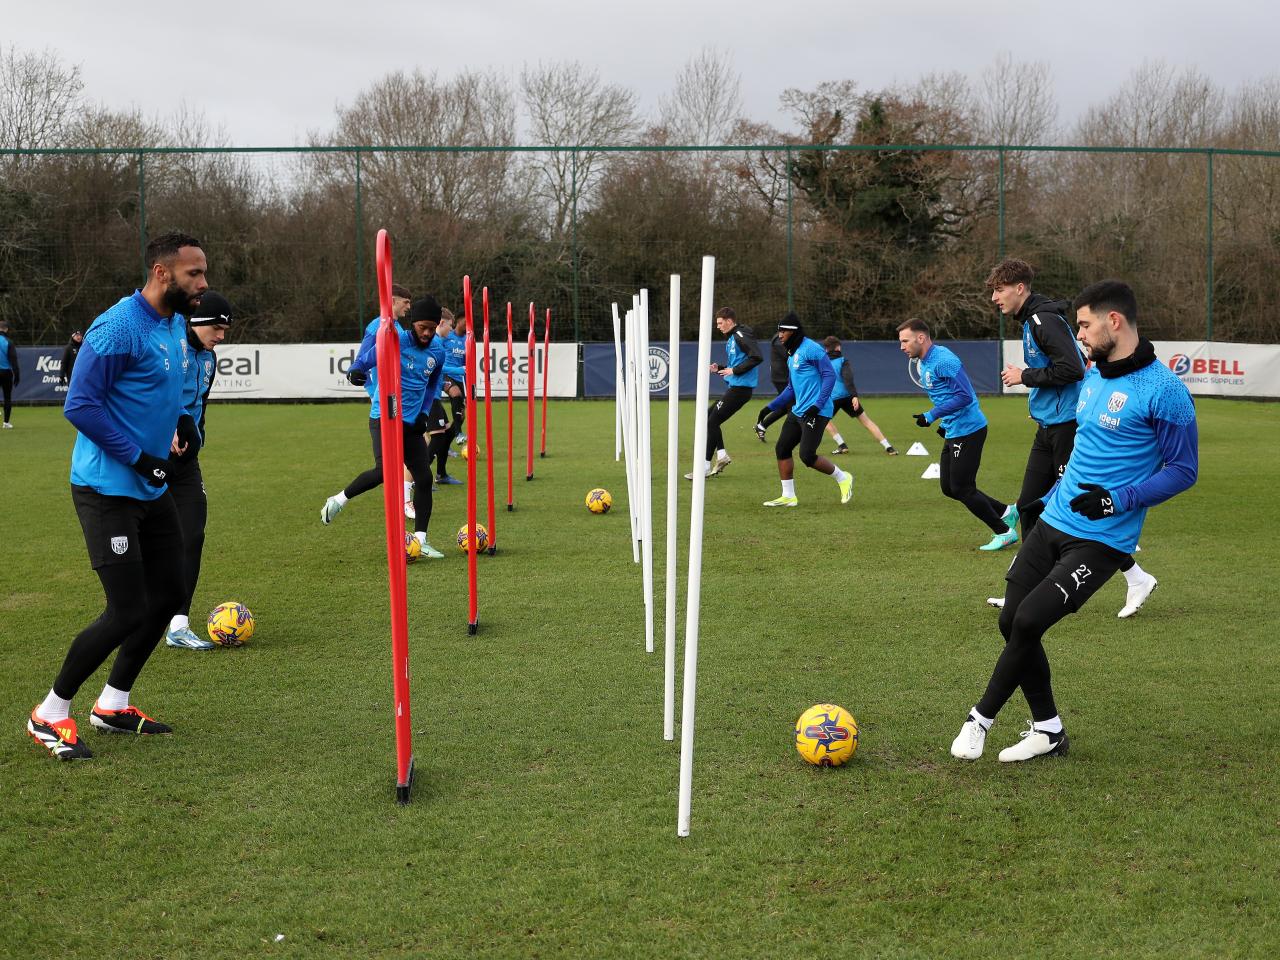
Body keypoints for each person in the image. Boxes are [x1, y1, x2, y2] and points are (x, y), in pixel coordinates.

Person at [950, 279, 1198, 762]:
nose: (1078, 334)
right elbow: (1085, 449)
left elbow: (1184, 470)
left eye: (1084, 325)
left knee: (1028, 621)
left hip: (1102, 538)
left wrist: (1115, 500)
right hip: (1054, 522)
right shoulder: (1093, 375)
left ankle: (980, 718)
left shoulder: (1165, 391)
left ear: (1115, 321)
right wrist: (1047, 496)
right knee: (1010, 622)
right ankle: (1049, 730)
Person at [26, 232, 208, 761]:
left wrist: (180, 425)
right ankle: (50, 713)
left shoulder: (175, 325)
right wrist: (138, 456)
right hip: (107, 488)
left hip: (152, 486)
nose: (203, 283)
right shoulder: (117, 328)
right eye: (194, 273)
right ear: (161, 272)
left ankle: (113, 703)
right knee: (127, 609)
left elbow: (163, 391)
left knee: (169, 594)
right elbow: (80, 406)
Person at [991, 258, 1158, 618]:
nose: (994, 297)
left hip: (1067, 426)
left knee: (1078, 508)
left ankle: (1136, 577)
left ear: (1020, 288)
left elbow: (1070, 368)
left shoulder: (1043, 320)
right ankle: (1026, 588)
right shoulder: (1032, 320)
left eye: (999, 290)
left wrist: (1025, 376)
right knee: (1029, 505)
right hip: (1048, 426)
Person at [321, 296, 450, 558]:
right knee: (385, 472)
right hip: (384, 417)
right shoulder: (395, 340)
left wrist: (425, 412)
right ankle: (338, 500)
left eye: (432, 328)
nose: (427, 333)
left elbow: (434, 384)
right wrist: (356, 369)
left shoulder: (437, 351)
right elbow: (369, 357)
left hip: (412, 422)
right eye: (422, 326)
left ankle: (420, 540)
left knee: (424, 478)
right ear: (413, 323)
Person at [898, 318, 1018, 551]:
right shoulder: (923, 362)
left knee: (963, 487)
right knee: (949, 488)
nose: (902, 346)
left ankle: (1004, 532)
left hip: (969, 430)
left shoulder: (944, 360)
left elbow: (965, 395)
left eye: (905, 341)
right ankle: (1006, 511)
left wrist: (932, 415)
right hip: (954, 429)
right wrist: (945, 422)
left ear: (921, 338)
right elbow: (946, 395)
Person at [164, 292, 232, 651]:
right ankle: (132, 614)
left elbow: (200, 406)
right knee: (147, 540)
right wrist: (168, 426)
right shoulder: (168, 344)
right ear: (197, 321)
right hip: (150, 457)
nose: (221, 336)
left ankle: (178, 624)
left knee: (192, 535)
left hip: (186, 463)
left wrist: (196, 439)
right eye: (216, 328)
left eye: (225, 329)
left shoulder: (210, 360)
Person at [757, 314, 853, 507]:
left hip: (817, 411)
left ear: (793, 331)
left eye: (783, 330)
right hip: (798, 410)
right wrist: (769, 408)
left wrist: (818, 404)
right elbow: (791, 389)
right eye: (779, 330)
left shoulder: (812, 349)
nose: (780, 334)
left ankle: (843, 478)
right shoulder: (792, 355)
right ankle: (789, 496)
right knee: (782, 448)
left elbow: (829, 377)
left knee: (807, 456)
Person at [686, 307, 761, 479]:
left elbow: (756, 357)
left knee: (711, 421)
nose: (718, 326)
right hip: (736, 388)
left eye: (720, 323)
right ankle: (719, 456)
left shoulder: (740, 335)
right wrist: (720, 368)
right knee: (708, 417)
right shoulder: (733, 338)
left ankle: (707, 466)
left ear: (729, 321)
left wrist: (734, 370)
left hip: (740, 390)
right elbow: (738, 362)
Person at [820, 336, 897, 456]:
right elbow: (848, 379)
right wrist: (854, 396)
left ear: (826, 350)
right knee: (866, 421)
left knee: (823, 421)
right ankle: (888, 447)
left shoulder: (823, 363)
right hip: (848, 397)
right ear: (838, 347)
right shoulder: (843, 361)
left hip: (832, 398)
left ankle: (842, 445)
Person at [434, 309, 465, 485]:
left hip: (437, 393)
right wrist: (458, 370)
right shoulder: (437, 342)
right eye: (450, 325)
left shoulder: (442, 340)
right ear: (442, 323)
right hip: (431, 396)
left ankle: (441, 474)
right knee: (436, 438)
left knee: (445, 434)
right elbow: (439, 367)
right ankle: (417, 480)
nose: (451, 329)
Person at [753, 331, 790, 442]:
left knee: (785, 407)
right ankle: (792, 437)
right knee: (792, 407)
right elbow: (790, 355)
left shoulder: (782, 338)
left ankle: (762, 426)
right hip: (781, 378)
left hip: (783, 377)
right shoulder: (779, 340)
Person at [0, 320, 18, 428]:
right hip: (6, 373)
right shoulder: (8, 342)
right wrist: (17, 375)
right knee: (7, 398)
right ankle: (6, 423)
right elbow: (13, 360)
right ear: (6, 329)